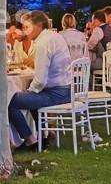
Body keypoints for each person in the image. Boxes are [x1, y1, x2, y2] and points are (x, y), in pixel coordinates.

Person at [8, 11, 74, 151]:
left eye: (27, 27)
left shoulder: (42, 44)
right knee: (30, 97)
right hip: (66, 88)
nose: (25, 31)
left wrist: (30, 90)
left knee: (10, 102)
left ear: (38, 25)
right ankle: (42, 137)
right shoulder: (54, 36)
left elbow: (40, 80)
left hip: (56, 93)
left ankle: (30, 139)